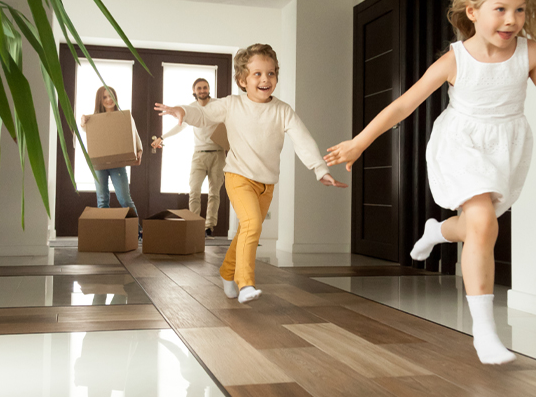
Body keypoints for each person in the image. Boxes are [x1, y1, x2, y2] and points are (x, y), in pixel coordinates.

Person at [324, 0, 536, 365]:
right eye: (500, 9)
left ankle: (437, 231)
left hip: (505, 145)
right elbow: (403, 104)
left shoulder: (530, 53)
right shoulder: (455, 60)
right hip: (461, 143)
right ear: (472, 11)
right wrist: (360, 143)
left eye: (520, 10)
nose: (511, 20)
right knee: (485, 223)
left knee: (476, 226)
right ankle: (485, 334)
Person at [155, 44, 348, 304]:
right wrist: (182, 111)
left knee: (248, 229)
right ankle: (245, 283)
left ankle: (226, 271)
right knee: (252, 225)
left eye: (270, 73)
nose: (265, 79)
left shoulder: (283, 111)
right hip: (238, 176)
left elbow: (303, 140)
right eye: (257, 74)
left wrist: (319, 169)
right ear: (242, 80)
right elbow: (202, 114)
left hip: (266, 183)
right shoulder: (231, 105)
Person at [151, 78, 225, 237]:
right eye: (199, 88)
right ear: (194, 91)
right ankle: (194, 224)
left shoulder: (218, 105)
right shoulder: (191, 109)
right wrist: (162, 137)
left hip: (218, 154)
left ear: (209, 89)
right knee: (194, 191)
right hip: (199, 155)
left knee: (214, 193)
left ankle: (209, 227)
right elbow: (180, 125)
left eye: (205, 87)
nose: (203, 90)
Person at [81, 87, 143, 228]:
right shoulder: (94, 119)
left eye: (111, 96)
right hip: (99, 165)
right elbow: (86, 131)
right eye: (105, 97)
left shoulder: (123, 116)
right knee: (102, 201)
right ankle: (107, 232)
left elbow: (134, 134)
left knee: (124, 199)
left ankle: (137, 231)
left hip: (117, 163)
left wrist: (139, 150)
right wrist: (83, 122)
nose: (109, 100)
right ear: (100, 100)